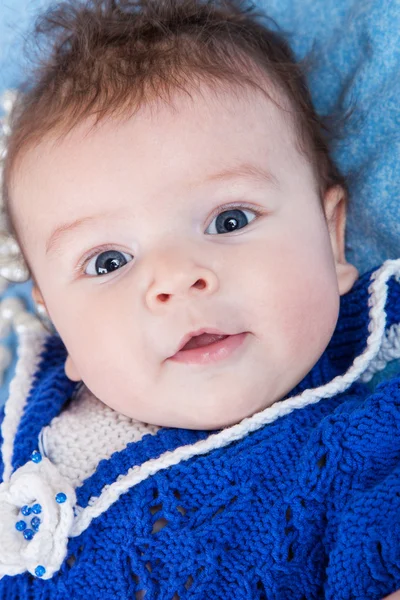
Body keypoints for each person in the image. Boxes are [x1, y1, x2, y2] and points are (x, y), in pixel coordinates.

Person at [0, 0, 399, 598]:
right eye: (108, 261)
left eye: (230, 219)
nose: (177, 279)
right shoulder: (25, 415)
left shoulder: (361, 450)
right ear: (61, 328)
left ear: (333, 236)